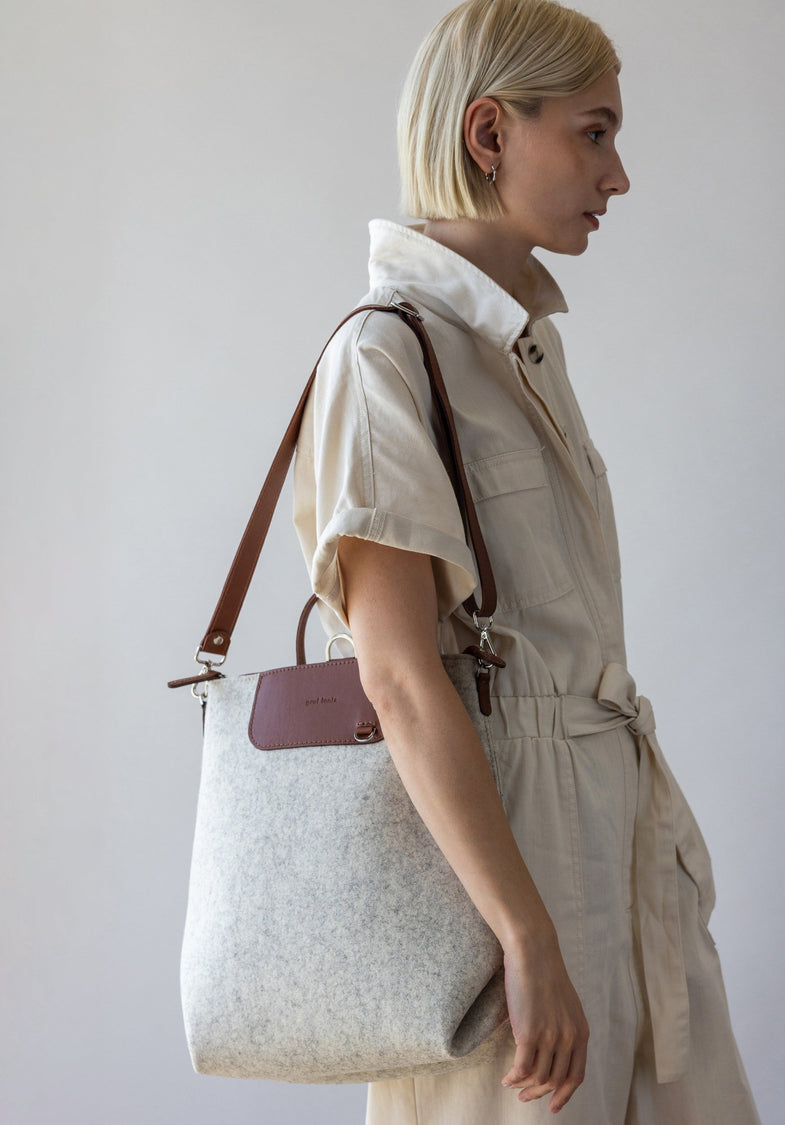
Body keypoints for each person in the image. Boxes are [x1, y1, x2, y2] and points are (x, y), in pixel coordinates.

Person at [292, 1, 761, 1121]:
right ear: (490, 133)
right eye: (593, 133)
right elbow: (399, 680)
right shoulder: (385, 356)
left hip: (614, 839)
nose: (620, 175)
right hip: (503, 864)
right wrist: (524, 931)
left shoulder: (517, 347)